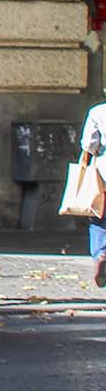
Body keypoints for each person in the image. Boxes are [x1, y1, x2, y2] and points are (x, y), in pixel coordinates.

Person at [81, 90, 106, 287]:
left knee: (99, 217)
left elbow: (89, 144)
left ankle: (101, 253)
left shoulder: (97, 112)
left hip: (103, 175)